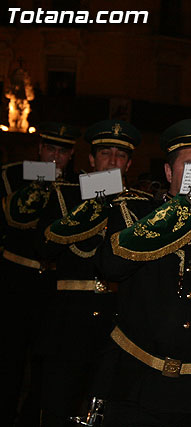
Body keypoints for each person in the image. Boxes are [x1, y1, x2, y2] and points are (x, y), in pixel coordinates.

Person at [95, 118, 191, 426]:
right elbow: (111, 266)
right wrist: (174, 212)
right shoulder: (133, 213)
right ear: (168, 172)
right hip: (136, 385)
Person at [37, 119, 150, 426]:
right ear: (90, 159)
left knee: (106, 410)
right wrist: (91, 205)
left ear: (128, 164)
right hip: (68, 320)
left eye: (120, 155)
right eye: (105, 153)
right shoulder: (66, 196)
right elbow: (44, 247)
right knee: (58, 406)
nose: (112, 161)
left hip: (118, 321)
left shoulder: (138, 206)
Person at [0, 122, 80, 426]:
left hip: (53, 285)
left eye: (62, 150)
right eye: (50, 148)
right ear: (39, 148)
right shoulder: (14, 174)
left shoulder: (78, 184)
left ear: (71, 154)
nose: (54, 156)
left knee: (47, 364)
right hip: (14, 279)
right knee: (8, 360)